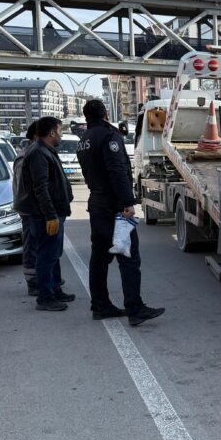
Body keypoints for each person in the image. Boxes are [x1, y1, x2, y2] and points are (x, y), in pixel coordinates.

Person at [77, 99, 164, 326]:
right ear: (105, 114)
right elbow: (116, 170)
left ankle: (100, 305)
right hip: (113, 206)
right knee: (128, 258)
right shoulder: (109, 136)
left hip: (96, 204)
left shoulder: (84, 139)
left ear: (87, 117)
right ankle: (135, 309)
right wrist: (127, 202)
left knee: (100, 258)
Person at [15, 116, 75, 312]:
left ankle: (55, 289)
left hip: (51, 212)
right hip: (45, 215)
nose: (61, 135)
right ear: (51, 133)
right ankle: (45, 297)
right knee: (46, 255)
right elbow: (40, 188)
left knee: (53, 254)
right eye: (60, 131)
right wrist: (50, 215)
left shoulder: (45, 150)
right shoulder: (39, 153)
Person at [13, 122, 40, 296]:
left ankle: (44, 278)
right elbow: (27, 187)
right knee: (31, 245)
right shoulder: (26, 157)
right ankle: (33, 282)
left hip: (34, 208)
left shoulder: (32, 154)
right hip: (31, 209)